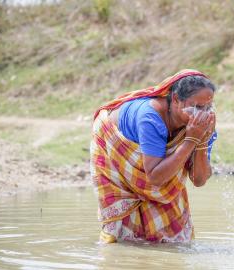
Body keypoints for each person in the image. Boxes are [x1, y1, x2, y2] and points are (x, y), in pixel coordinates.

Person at [90, 69, 217, 243]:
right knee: (119, 233)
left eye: (208, 107)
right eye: (197, 107)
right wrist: (190, 141)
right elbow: (155, 178)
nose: (203, 113)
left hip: (162, 156)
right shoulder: (151, 118)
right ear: (175, 100)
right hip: (115, 145)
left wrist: (201, 140)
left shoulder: (202, 124)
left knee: (172, 234)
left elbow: (199, 180)